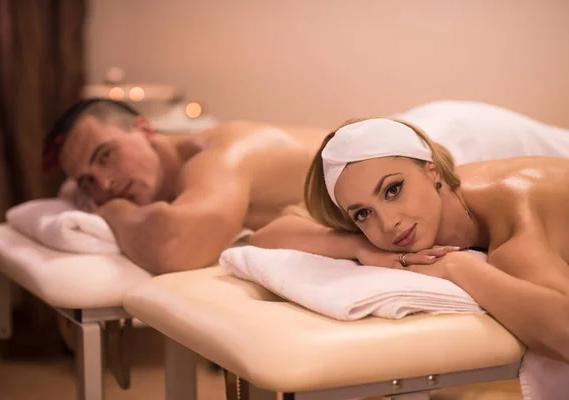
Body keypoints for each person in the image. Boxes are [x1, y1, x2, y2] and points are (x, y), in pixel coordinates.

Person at [44, 98, 569, 274]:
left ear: (144, 127)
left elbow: (178, 244)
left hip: (454, 140)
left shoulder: (220, 153)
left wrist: (109, 211)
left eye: (104, 156)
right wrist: (359, 248)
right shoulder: (186, 182)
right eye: (89, 181)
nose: (106, 182)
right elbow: (273, 233)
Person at [251, 117, 569, 363]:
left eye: (393, 190)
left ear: (431, 171)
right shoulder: (425, 202)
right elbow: (267, 236)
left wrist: (459, 268)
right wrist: (359, 247)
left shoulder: (514, 229)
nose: (388, 224)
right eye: (362, 214)